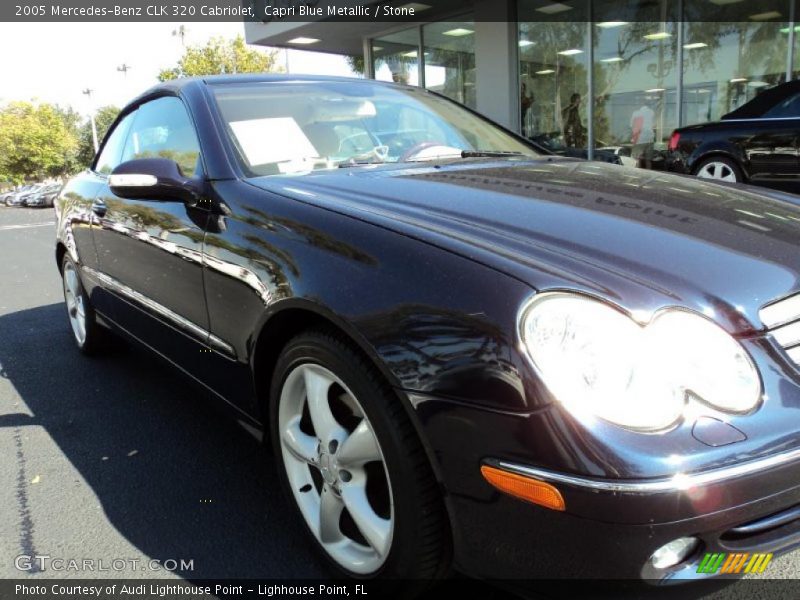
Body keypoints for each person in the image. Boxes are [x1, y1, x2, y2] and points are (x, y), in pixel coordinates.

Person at [630, 103, 655, 169]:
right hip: (650, 139)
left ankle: (639, 175)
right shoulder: (651, 112)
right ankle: (649, 174)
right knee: (648, 160)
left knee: (638, 159)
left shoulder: (636, 113)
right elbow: (654, 125)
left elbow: (632, 125)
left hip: (640, 139)